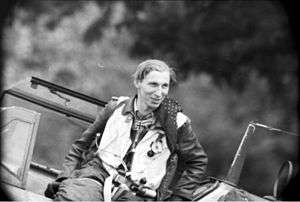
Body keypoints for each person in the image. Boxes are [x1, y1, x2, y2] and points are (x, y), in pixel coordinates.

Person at [44, 59, 208, 201]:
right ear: (138, 83)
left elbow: (197, 162)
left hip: (138, 193)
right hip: (98, 176)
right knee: (73, 197)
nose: (159, 93)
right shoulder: (116, 108)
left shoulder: (177, 123)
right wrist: (64, 177)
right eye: (153, 84)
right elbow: (81, 146)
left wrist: (178, 198)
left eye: (165, 86)